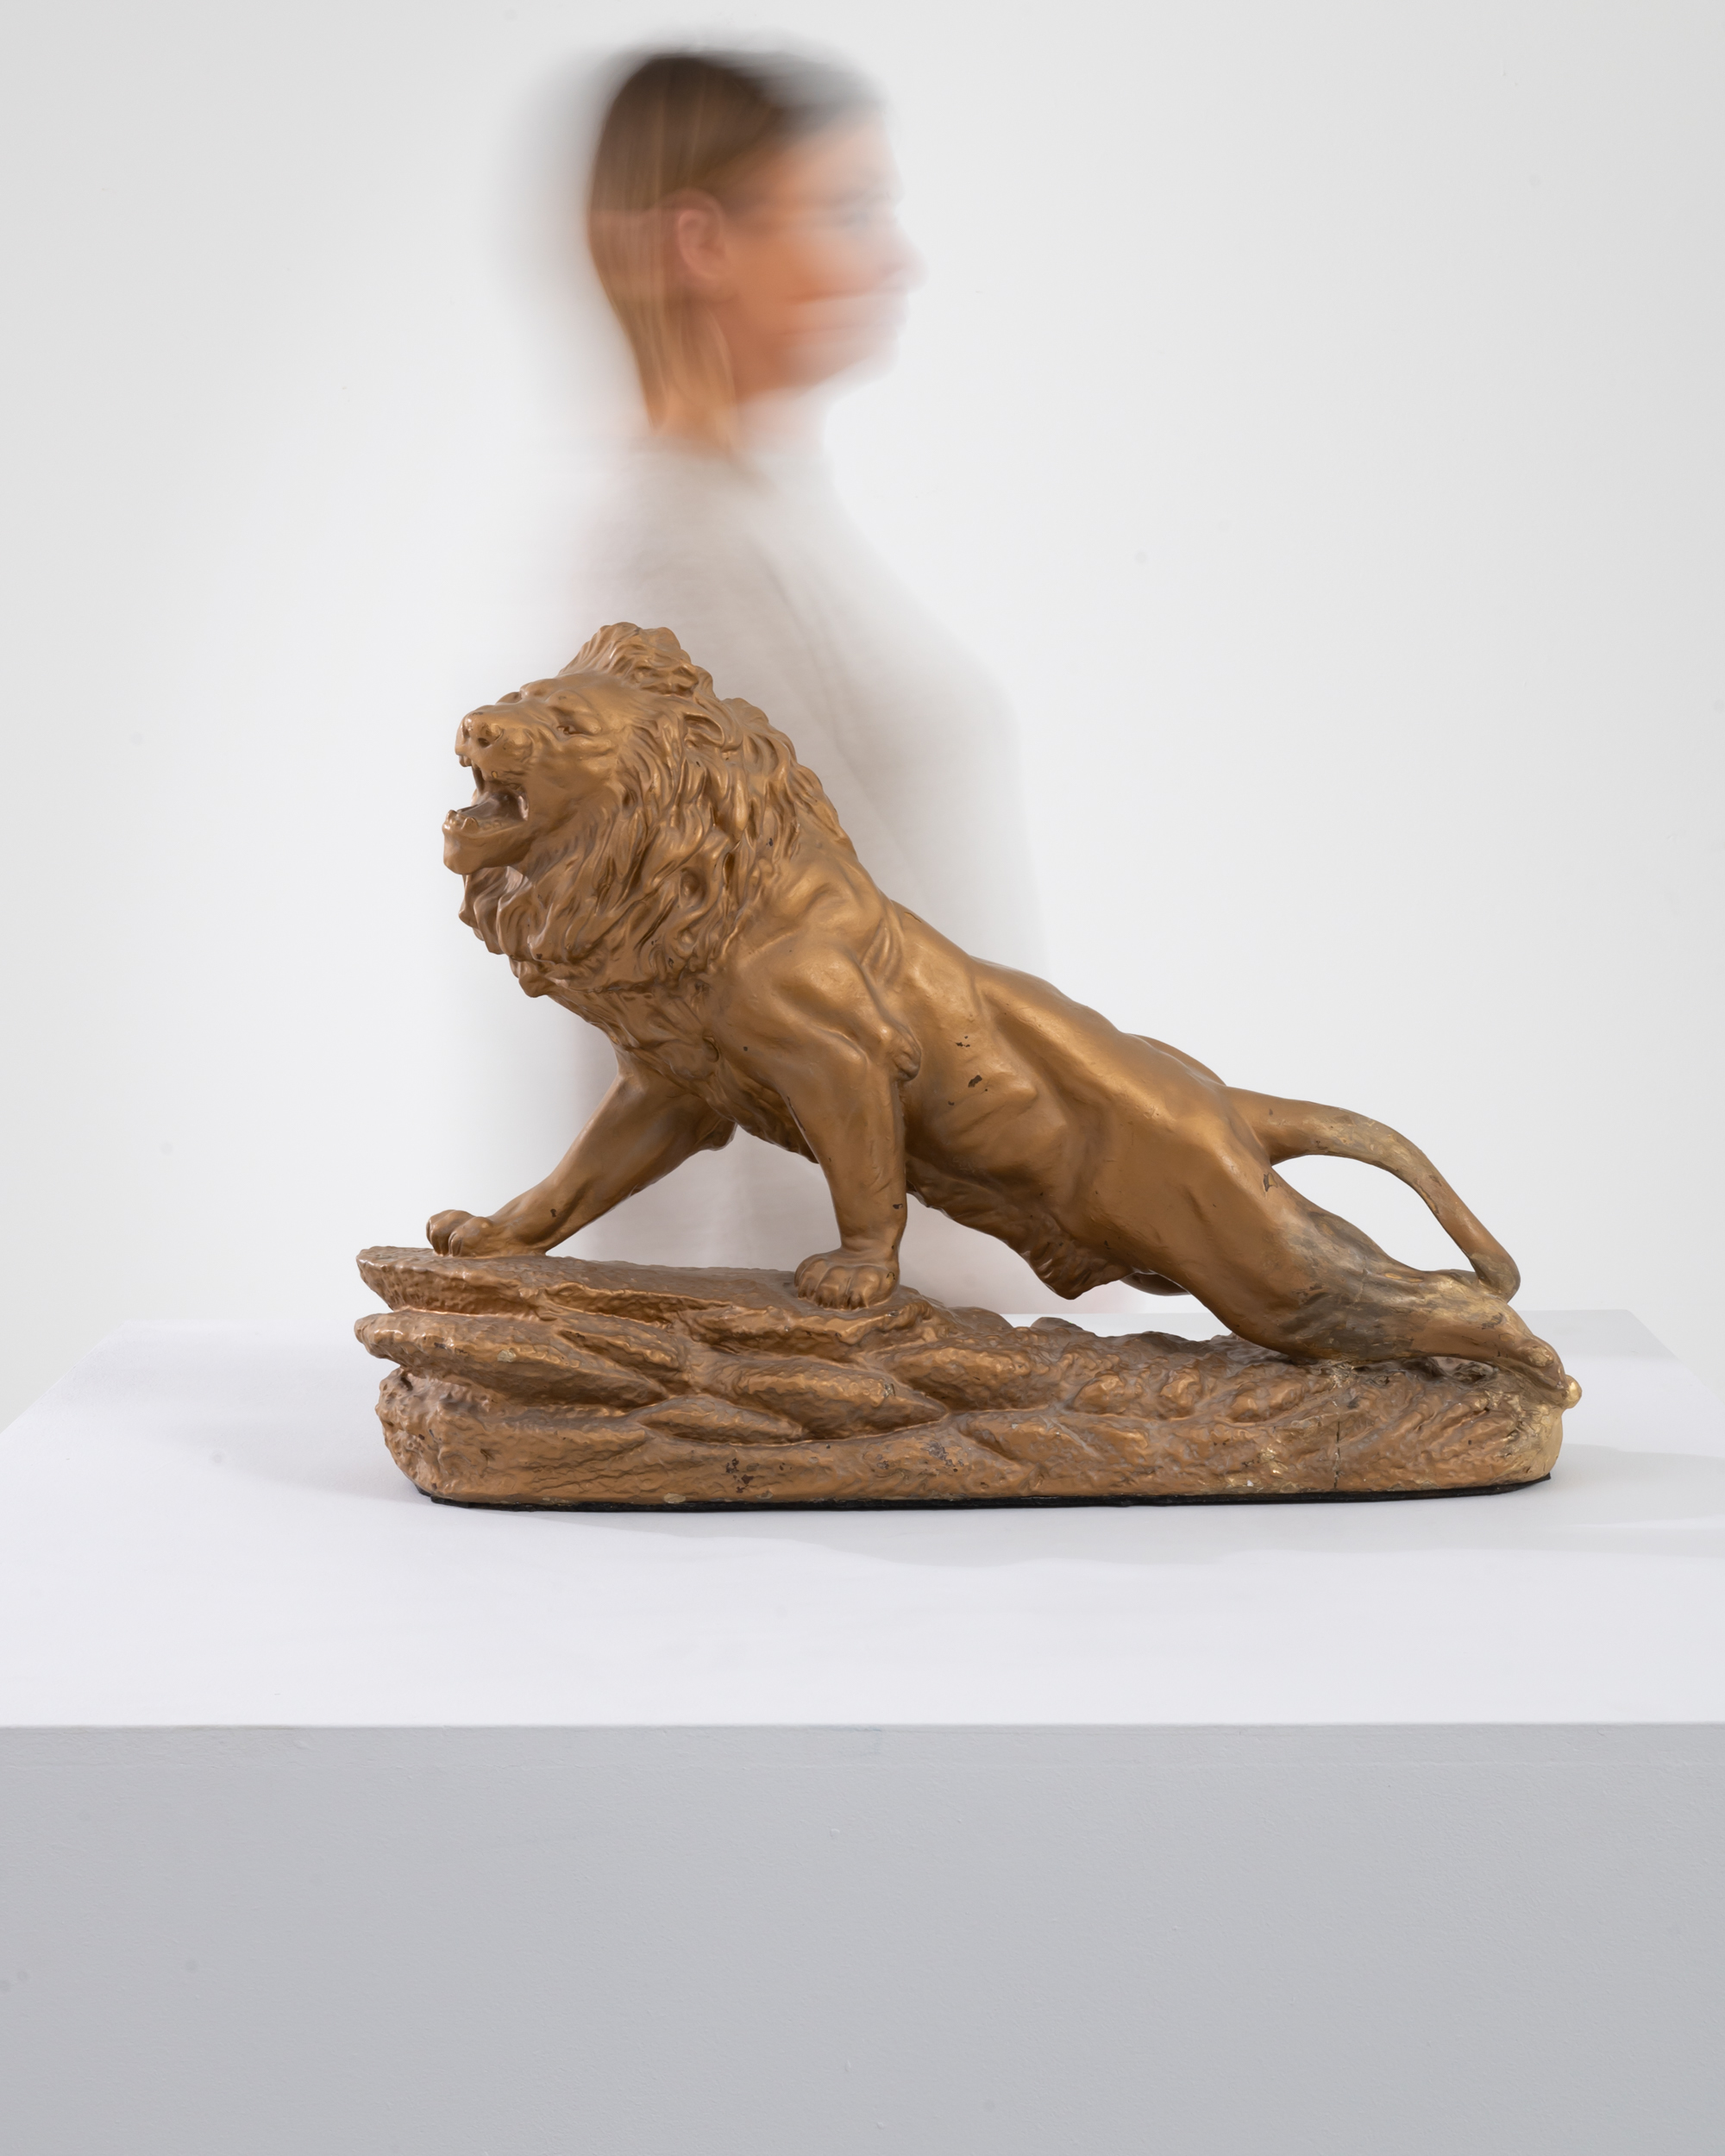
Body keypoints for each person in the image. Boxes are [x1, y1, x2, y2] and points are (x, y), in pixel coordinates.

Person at [551, 46, 1132, 1313]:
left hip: (934, 1271)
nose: (895, 258)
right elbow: (766, 983)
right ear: (703, 242)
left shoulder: (752, 515)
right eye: (849, 210)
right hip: (827, 1306)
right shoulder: (670, 552)